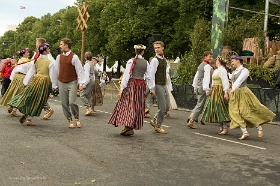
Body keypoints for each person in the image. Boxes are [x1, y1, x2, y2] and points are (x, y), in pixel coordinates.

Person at [108, 44, 154, 136]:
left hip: (132, 84)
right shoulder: (146, 62)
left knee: (128, 105)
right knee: (137, 106)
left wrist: (122, 88)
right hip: (141, 86)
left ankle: (128, 126)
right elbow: (149, 77)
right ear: (143, 52)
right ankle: (130, 127)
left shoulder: (131, 61)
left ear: (135, 51)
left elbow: (126, 75)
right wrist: (152, 89)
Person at [228, 55, 276, 140]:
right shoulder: (235, 71)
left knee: (245, 112)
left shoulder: (244, 70)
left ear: (238, 61)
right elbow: (231, 78)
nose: (232, 63)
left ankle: (259, 126)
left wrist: (233, 88)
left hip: (242, 92)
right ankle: (245, 132)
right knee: (235, 112)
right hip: (235, 93)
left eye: (233, 61)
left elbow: (240, 80)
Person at [8, 44, 54, 126]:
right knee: (39, 100)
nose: (49, 50)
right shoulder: (50, 62)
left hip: (35, 80)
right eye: (48, 49)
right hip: (44, 82)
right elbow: (52, 75)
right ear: (45, 51)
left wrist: (26, 82)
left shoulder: (36, 60)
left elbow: (31, 72)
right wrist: (53, 87)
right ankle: (29, 119)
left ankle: (17, 106)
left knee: (28, 95)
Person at [52, 38, 86, 129]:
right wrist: (54, 84)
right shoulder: (59, 57)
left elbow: (79, 70)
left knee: (72, 102)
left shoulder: (74, 57)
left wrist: (81, 83)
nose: (60, 46)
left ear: (66, 45)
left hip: (72, 81)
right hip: (61, 81)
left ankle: (77, 118)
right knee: (64, 102)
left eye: (61, 44)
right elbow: (56, 71)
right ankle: (70, 119)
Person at [201, 57, 230, 134]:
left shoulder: (223, 70)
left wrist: (226, 92)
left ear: (219, 62)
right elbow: (213, 82)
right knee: (216, 107)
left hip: (220, 90)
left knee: (221, 107)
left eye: (217, 61)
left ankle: (225, 128)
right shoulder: (216, 70)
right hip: (215, 90)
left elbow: (225, 81)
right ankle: (221, 127)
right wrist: (210, 90)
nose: (216, 62)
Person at [0, 48, 32, 116]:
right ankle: (13, 108)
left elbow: (14, 70)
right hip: (23, 78)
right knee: (20, 94)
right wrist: (28, 81)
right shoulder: (29, 62)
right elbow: (30, 72)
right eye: (27, 52)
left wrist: (12, 79)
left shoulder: (19, 61)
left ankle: (12, 108)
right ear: (24, 54)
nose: (28, 53)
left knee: (14, 93)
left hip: (16, 77)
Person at [187, 51, 213, 129]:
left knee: (199, 103)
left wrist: (195, 86)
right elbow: (207, 79)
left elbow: (197, 76)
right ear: (205, 57)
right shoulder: (207, 66)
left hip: (198, 86)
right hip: (203, 87)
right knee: (200, 105)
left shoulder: (201, 65)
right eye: (209, 56)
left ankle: (191, 116)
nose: (211, 58)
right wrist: (207, 89)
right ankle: (191, 121)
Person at [149, 41, 170, 134]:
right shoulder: (154, 60)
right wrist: (152, 88)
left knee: (166, 106)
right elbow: (151, 75)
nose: (156, 49)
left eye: (158, 47)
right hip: (157, 84)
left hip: (163, 84)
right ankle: (158, 126)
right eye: (155, 48)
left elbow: (165, 74)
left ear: (162, 48)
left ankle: (154, 120)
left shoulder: (164, 59)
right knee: (162, 107)